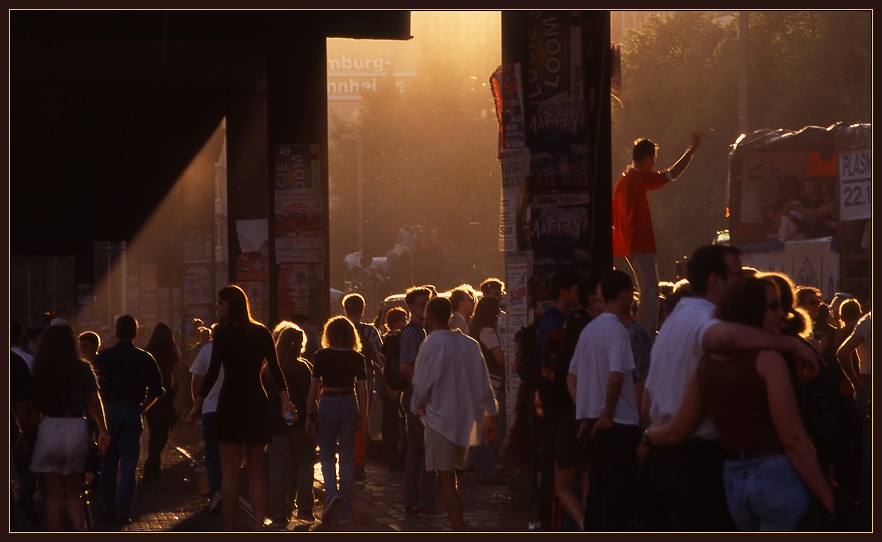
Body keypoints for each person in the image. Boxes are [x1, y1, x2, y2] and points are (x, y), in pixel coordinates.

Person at [640, 245, 819, 531]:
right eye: (737, 276)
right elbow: (722, 338)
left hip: (666, 460)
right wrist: (790, 343)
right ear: (715, 281)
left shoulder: (674, 320)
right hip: (700, 462)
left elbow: (647, 405)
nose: (745, 284)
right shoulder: (709, 318)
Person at [186, 285, 296, 531]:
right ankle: (257, 527)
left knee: (230, 471)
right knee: (257, 470)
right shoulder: (261, 332)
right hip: (256, 401)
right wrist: (285, 400)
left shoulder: (222, 334)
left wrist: (197, 405)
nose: (217, 307)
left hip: (230, 402)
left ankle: (230, 528)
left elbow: (213, 372)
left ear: (232, 306)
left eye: (221, 303)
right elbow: (276, 370)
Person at [411, 296, 499, 531]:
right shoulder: (470, 344)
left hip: (439, 420)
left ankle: (459, 529)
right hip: (465, 420)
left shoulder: (431, 344)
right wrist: (489, 413)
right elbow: (484, 381)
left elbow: (421, 384)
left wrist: (415, 406)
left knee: (447, 480)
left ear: (430, 316)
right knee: (454, 475)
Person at [567, 270, 641, 531]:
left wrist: (586, 410)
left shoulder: (589, 330)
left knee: (597, 494)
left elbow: (571, 376)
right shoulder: (617, 330)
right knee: (618, 500)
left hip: (594, 424)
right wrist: (607, 412)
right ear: (623, 294)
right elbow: (616, 376)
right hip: (618, 424)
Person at [612, 132, 703, 335]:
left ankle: (645, 330)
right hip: (640, 244)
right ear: (646, 158)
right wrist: (691, 151)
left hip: (629, 244)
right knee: (650, 293)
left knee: (646, 290)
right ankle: (645, 333)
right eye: (653, 158)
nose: (653, 163)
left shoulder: (623, 181)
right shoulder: (636, 179)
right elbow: (671, 174)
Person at [30, 324, 110, 531]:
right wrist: (102, 430)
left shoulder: (40, 369)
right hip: (76, 426)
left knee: (53, 496)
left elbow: (33, 406)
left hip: (50, 425)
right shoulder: (82, 368)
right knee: (74, 493)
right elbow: (94, 401)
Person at [95, 314, 165, 525]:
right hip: (132, 411)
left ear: (116, 332)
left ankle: (107, 507)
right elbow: (157, 391)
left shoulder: (103, 357)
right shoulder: (145, 358)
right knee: (128, 466)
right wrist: (142, 409)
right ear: (135, 332)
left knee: (107, 464)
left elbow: (93, 390)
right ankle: (123, 510)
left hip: (108, 413)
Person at [304, 316, 368, 525]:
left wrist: (310, 414)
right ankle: (345, 511)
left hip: (328, 402)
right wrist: (364, 419)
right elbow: (363, 389)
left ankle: (332, 494)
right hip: (349, 400)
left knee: (327, 454)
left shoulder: (321, 355)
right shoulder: (357, 358)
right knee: (348, 457)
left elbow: (313, 388)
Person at [553, 275, 602, 531]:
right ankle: (588, 523)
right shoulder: (610, 326)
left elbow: (566, 373)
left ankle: (584, 524)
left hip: (575, 413)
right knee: (586, 479)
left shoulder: (576, 323)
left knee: (562, 483)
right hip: (594, 412)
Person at [535, 268, 581, 530]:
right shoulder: (554, 323)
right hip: (556, 409)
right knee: (558, 476)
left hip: (556, 407)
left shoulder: (560, 320)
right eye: (576, 290)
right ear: (564, 292)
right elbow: (553, 372)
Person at [264, 322, 316, 527]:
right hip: (300, 422)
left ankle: (278, 513)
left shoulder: (268, 369)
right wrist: (312, 418)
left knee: (278, 468)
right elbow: (308, 398)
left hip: (275, 424)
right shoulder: (301, 367)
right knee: (305, 464)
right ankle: (304, 509)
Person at [398, 286, 443, 516]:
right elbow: (405, 366)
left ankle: (412, 501)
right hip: (417, 398)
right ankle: (423, 501)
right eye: (421, 304)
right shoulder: (411, 333)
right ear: (410, 307)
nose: (425, 308)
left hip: (418, 397)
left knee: (416, 451)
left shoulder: (422, 332)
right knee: (426, 450)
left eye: (427, 304)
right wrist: (423, 390)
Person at [342, 292, 383, 482]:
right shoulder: (370, 332)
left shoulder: (338, 330)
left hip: (340, 385)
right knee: (361, 424)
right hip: (364, 384)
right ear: (363, 309)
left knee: (343, 426)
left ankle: (346, 462)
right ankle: (357, 464)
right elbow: (380, 358)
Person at [468, 295, 506, 484]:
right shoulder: (488, 331)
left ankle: (483, 467)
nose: (500, 313)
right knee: (492, 427)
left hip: (482, 382)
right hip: (493, 383)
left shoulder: (476, 330)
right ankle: (487, 470)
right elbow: (499, 357)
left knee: (486, 427)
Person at [188, 325, 223, 515]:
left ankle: (217, 491)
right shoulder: (236, 350)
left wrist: (196, 405)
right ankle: (230, 488)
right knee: (231, 452)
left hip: (210, 408)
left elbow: (196, 381)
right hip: (232, 410)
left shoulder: (206, 350)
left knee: (212, 452)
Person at [142, 323, 181, 483]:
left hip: (151, 396)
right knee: (162, 434)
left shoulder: (148, 352)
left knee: (153, 432)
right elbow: (177, 379)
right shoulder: (171, 353)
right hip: (165, 396)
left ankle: (152, 467)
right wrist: (173, 394)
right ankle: (152, 466)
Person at [379, 306, 408, 471]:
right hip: (396, 385)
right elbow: (392, 366)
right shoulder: (396, 340)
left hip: (387, 386)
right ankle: (400, 457)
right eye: (403, 320)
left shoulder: (384, 339)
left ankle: (392, 457)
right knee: (401, 424)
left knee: (389, 424)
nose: (405, 323)